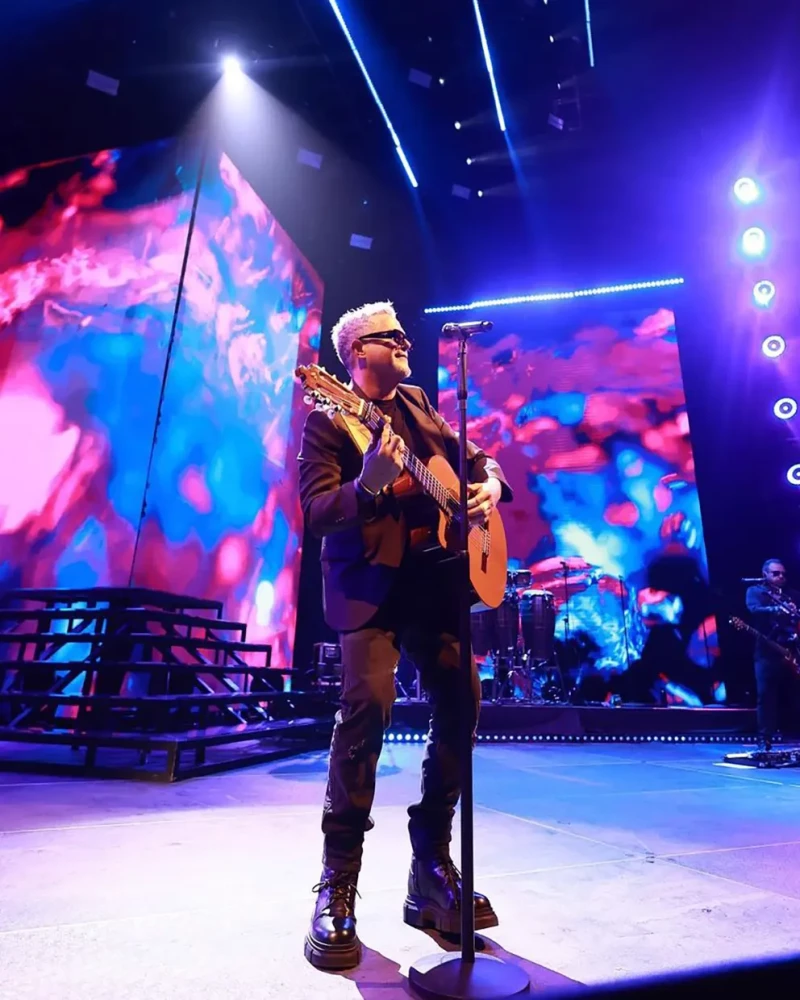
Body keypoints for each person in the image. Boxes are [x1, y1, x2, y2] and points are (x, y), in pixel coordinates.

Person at [298, 301, 512, 970]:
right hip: (369, 588)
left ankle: (431, 870)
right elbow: (316, 512)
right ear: (358, 356)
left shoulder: (419, 402)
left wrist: (490, 490)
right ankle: (338, 882)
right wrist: (367, 489)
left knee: (462, 703)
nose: (406, 344)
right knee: (367, 710)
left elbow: (475, 461)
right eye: (392, 339)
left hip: (434, 584)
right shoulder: (330, 418)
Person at [745, 559, 800, 748]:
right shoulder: (756, 592)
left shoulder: (793, 595)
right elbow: (754, 610)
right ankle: (764, 739)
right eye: (776, 573)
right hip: (767, 650)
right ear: (765, 574)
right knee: (766, 695)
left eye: (783, 573)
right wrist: (778, 609)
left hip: (792, 650)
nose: (781, 577)